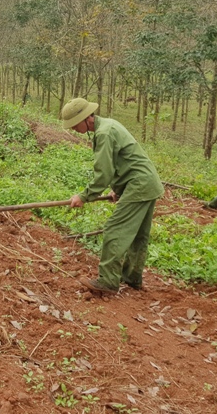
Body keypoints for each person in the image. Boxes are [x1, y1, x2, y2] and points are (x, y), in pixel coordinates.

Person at [62, 98, 164, 295]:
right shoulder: (108, 125)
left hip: (140, 185)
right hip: (146, 183)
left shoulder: (104, 133)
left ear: (86, 119)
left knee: (114, 230)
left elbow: (104, 173)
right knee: (138, 235)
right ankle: (132, 278)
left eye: (74, 124)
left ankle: (108, 281)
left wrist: (84, 196)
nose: (73, 129)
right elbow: (124, 162)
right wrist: (118, 189)